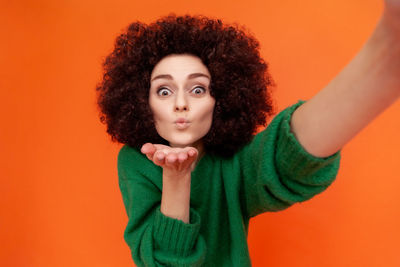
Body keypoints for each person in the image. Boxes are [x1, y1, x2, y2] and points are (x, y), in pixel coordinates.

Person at [96, 2, 400, 265]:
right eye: (164, 90)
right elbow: (163, 262)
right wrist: (176, 178)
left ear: (220, 99)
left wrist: (382, 61)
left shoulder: (232, 162)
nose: (180, 104)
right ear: (142, 101)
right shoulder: (135, 162)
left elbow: (286, 158)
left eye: (198, 89)